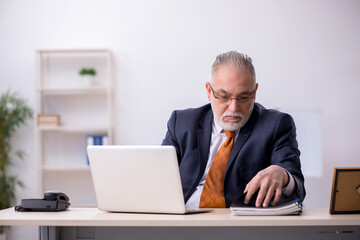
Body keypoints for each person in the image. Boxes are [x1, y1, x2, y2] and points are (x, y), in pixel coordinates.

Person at [162, 51, 305, 208]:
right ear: (209, 91)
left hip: (239, 225)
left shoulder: (276, 125)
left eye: (244, 98)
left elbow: (298, 189)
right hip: (182, 220)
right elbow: (157, 177)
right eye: (224, 97)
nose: (234, 108)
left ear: (255, 92)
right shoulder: (182, 123)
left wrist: (282, 175)